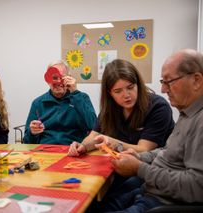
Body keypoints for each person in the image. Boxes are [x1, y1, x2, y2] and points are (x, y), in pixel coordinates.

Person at [97, 49, 203, 212]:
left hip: (162, 201)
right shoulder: (187, 112)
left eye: (169, 82)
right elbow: (167, 151)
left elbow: (196, 187)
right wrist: (139, 157)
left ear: (196, 81)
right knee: (93, 204)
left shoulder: (198, 120)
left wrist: (139, 167)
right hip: (149, 189)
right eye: (162, 82)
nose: (162, 89)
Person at [68, 59, 175, 193]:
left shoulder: (158, 106)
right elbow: (94, 136)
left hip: (150, 171)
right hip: (120, 166)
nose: (126, 95)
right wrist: (82, 146)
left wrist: (115, 144)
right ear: (109, 93)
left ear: (138, 84)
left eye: (130, 87)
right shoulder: (110, 109)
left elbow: (144, 150)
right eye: (118, 91)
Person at [23, 60, 96, 145]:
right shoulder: (38, 103)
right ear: (48, 80)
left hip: (73, 149)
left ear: (69, 78)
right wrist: (32, 132)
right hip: (45, 151)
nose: (58, 82)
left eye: (62, 77)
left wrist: (75, 93)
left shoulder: (82, 97)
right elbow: (27, 141)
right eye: (54, 78)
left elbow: (94, 126)